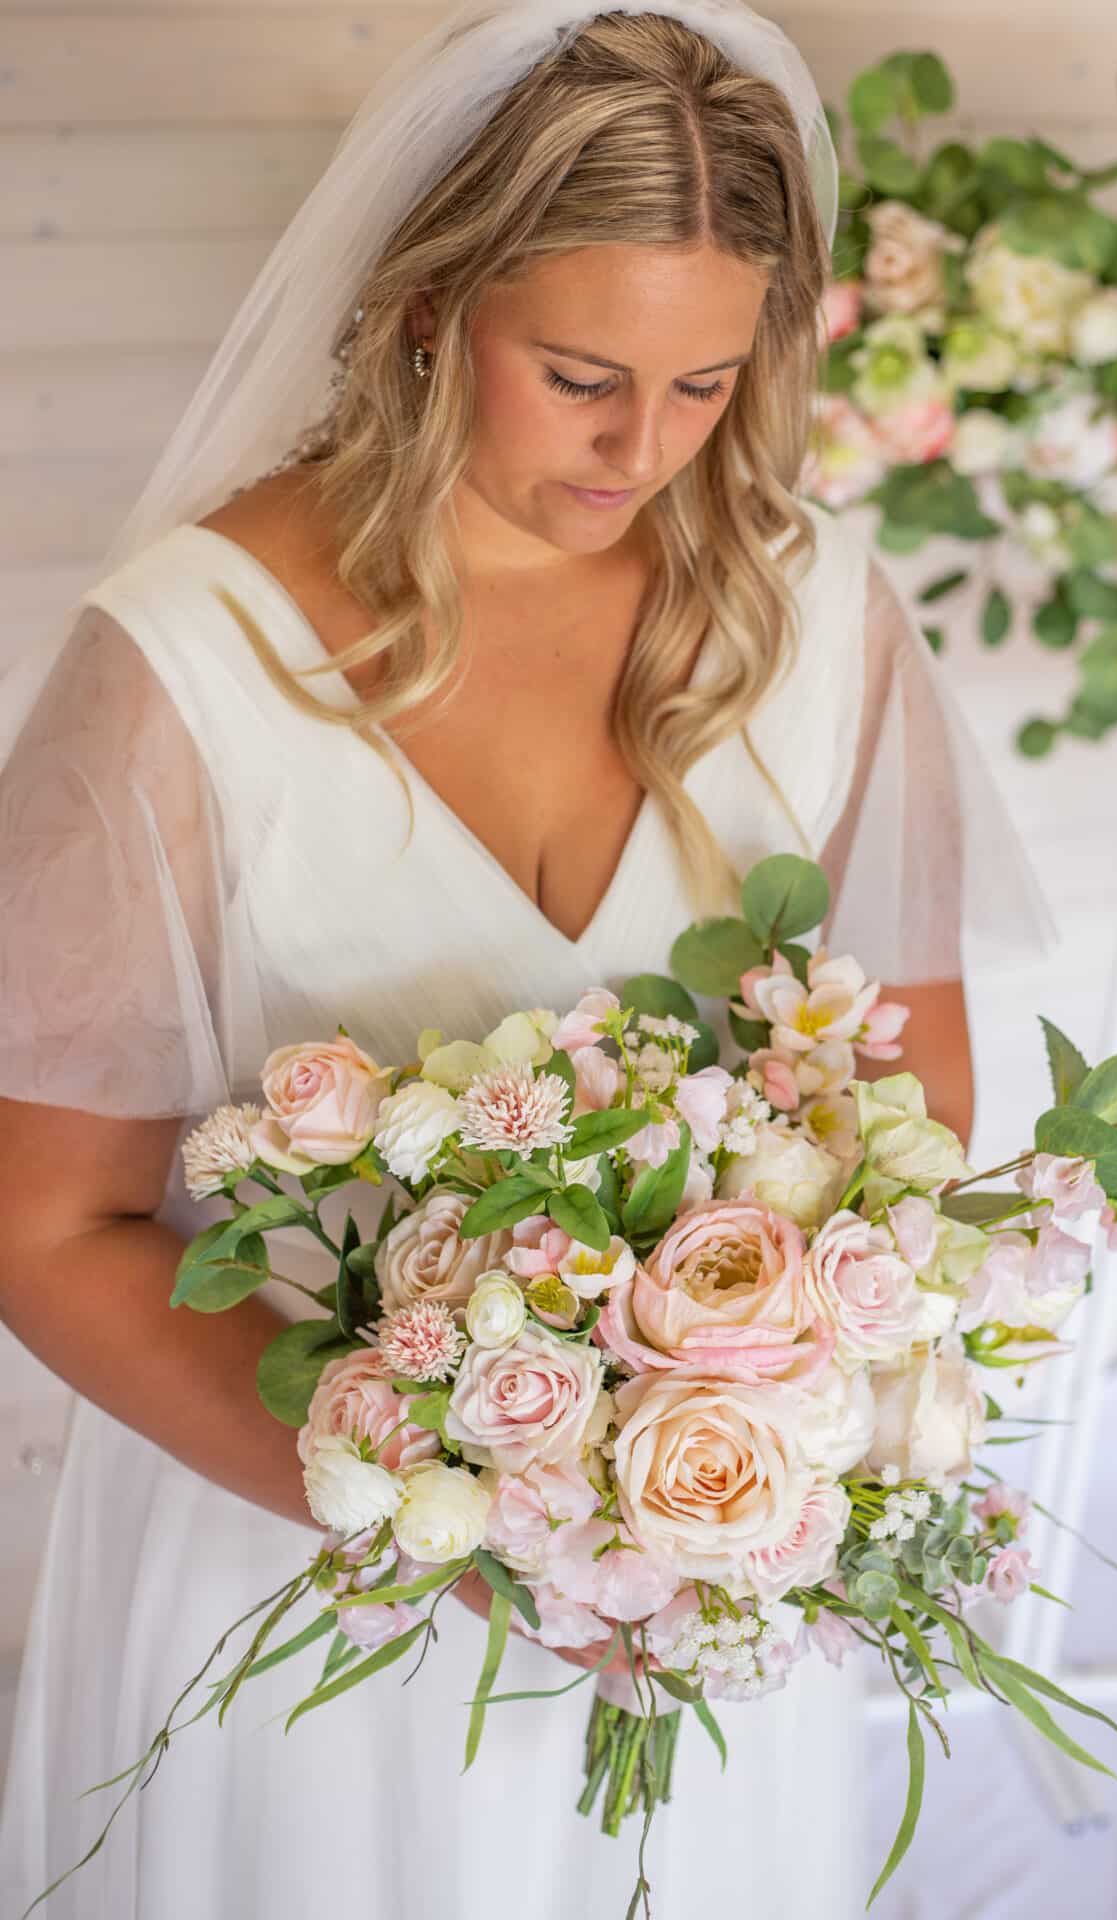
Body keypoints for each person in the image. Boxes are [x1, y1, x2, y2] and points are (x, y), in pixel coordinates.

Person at [0, 4, 1056, 1915]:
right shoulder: (180, 663)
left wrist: (699, 1451)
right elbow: (46, 1228)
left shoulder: (815, 614)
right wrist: (485, 1514)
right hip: (309, 1559)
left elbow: (924, 1097)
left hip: (710, 1573)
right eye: (579, 373)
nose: (638, 450)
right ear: (429, 303)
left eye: (706, 386)